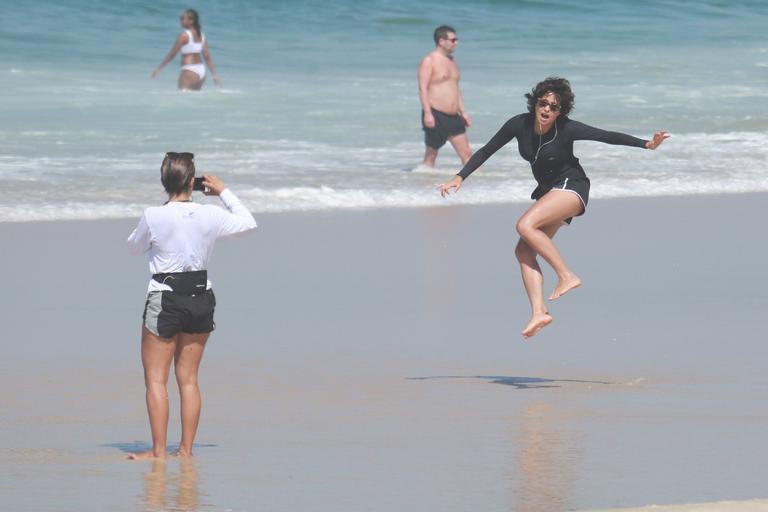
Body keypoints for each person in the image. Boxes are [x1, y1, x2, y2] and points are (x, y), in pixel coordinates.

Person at [438, 77, 668, 339]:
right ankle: (539, 312)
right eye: (543, 103)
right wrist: (459, 177)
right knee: (524, 251)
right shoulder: (519, 124)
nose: (547, 110)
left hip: (573, 187)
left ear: (561, 111)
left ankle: (566, 275)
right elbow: (486, 151)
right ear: (535, 103)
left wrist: (647, 144)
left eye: (554, 107)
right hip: (551, 192)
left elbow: (606, 136)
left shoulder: (566, 128)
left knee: (525, 225)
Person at [126, 152, 256, 459]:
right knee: (188, 379)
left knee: (156, 379)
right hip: (200, 296)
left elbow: (133, 248)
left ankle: (158, 450)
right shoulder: (209, 214)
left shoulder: (153, 216)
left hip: (166, 297)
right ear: (193, 182)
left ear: (164, 181)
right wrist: (224, 192)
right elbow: (248, 223)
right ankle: (185, 450)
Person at [418, 25, 472, 167]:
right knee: (431, 156)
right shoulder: (429, 60)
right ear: (442, 41)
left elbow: (455, 88)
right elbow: (423, 88)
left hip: (454, 117)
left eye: (456, 39)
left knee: (467, 155)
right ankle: (424, 185)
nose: (456, 43)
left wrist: (464, 112)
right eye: (453, 40)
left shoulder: (452, 61)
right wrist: (428, 114)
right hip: (436, 115)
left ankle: (472, 187)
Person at [151, 9, 221, 90]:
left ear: (191, 21)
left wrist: (159, 68)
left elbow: (172, 54)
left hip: (189, 70)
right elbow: (207, 56)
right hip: (201, 71)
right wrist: (214, 75)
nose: (180, 20)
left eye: (182, 18)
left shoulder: (184, 35)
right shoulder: (202, 36)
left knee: (181, 99)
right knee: (193, 100)